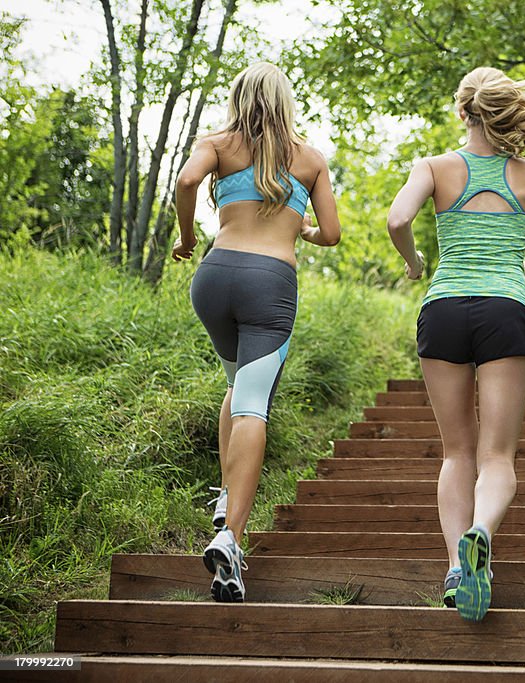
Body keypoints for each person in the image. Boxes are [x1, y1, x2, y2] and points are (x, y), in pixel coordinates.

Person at [386, 66, 525, 621]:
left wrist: (416, 261)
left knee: (456, 452)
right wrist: (513, 265)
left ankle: (454, 567)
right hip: (505, 311)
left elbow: (397, 218)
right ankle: (482, 532)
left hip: (442, 310)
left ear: (462, 112)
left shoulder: (435, 167)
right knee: (496, 455)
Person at [172, 61, 341, 602]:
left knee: (236, 385)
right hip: (269, 282)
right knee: (253, 404)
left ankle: (224, 498)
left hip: (214, 277)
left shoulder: (218, 143)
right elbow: (333, 234)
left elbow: (185, 181)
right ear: (286, 100)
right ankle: (231, 538)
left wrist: (185, 237)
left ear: (239, 95)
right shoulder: (310, 159)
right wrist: (299, 227)